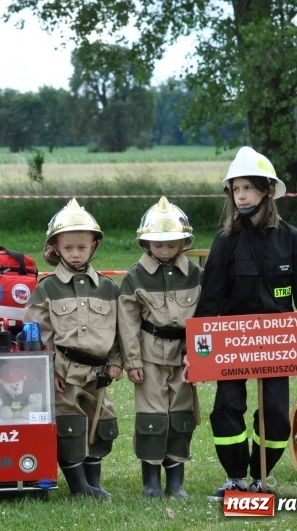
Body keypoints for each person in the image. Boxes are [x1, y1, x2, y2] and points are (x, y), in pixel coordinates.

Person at [196, 146, 297, 501]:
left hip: (279, 344)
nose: (241, 195)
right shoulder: (224, 241)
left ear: (267, 191)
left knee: (277, 415)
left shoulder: (290, 237)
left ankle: (260, 478)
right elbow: (210, 301)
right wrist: (197, 349)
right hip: (231, 344)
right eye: (235, 189)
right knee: (226, 409)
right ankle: (235, 477)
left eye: (248, 188)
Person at [24, 198, 121, 499]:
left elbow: (121, 330)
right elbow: (39, 333)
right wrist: (47, 368)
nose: (75, 254)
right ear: (55, 248)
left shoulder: (107, 288)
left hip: (99, 370)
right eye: (68, 248)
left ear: (94, 246)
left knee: (100, 422)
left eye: (82, 247)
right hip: (63, 370)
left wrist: (117, 360)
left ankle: (94, 480)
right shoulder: (46, 289)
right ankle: (78, 485)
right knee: (69, 425)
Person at [118, 197, 202, 498]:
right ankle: (151, 483)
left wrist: (201, 357)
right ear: (145, 243)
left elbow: (204, 318)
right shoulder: (134, 276)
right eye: (157, 244)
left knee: (181, 416)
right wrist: (133, 362)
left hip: (184, 357)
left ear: (184, 242)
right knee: (151, 418)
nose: (164, 251)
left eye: (171, 244)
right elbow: (127, 323)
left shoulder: (195, 274)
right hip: (150, 356)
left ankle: (176, 483)